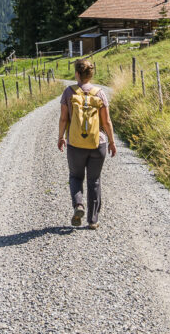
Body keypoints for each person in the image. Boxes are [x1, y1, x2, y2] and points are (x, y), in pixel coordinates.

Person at [57, 58, 116, 229]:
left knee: (75, 176)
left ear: (77, 74)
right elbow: (107, 122)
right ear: (91, 75)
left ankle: (78, 205)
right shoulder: (100, 93)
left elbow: (63, 119)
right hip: (98, 144)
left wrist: (61, 137)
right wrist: (112, 142)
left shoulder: (69, 92)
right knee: (94, 180)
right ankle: (93, 220)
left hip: (75, 144)